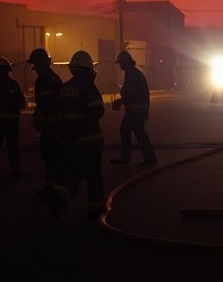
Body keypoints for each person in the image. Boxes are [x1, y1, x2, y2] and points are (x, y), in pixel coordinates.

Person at [47, 50, 106, 220]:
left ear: (73, 69)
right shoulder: (89, 87)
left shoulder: (63, 89)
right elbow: (98, 111)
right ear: (89, 70)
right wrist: (83, 121)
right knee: (93, 174)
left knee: (73, 170)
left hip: (69, 141)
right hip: (90, 139)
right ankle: (95, 209)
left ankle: (60, 192)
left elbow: (56, 115)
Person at [26, 47, 64, 201]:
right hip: (52, 124)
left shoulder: (45, 80)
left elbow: (47, 103)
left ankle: (56, 188)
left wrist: (41, 118)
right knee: (49, 155)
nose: (34, 69)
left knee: (51, 155)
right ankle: (52, 186)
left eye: (36, 65)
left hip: (51, 125)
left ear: (41, 64)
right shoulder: (50, 78)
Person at [110, 49, 156, 167]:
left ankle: (146, 158)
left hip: (137, 110)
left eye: (121, 63)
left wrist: (119, 101)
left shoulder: (133, 75)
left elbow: (130, 94)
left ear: (126, 63)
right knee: (130, 130)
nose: (120, 65)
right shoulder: (133, 73)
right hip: (135, 109)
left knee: (136, 131)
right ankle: (143, 157)